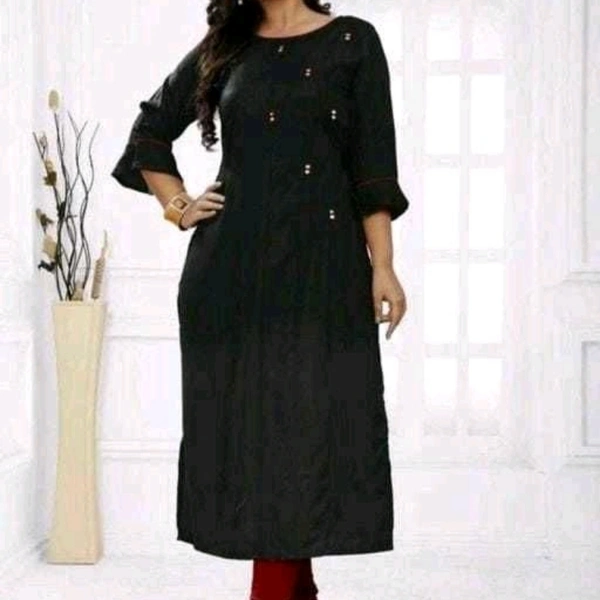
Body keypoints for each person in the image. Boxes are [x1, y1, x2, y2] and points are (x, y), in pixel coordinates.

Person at [111, 0, 410, 598]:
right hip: (232, 276)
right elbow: (149, 133)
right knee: (260, 443)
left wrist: (384, 265)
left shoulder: (353, 41)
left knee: (309, 433)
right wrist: (179, 207)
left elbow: (372, 166)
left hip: (323, 272)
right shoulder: (228, 46)